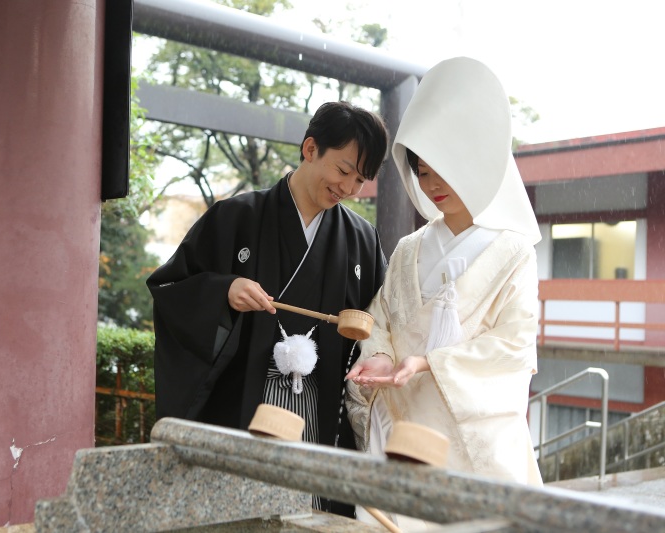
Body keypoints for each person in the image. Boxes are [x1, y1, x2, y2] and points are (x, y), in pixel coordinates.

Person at [147, 101, 389, 515]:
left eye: (361, 180)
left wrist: (378, 353)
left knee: (309, 515)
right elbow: (171, 287)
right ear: (310, 148)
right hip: (243, 407)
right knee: (239, 516)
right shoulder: (236, 217)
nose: (349, 189)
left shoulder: (362, 241)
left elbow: (383, 322)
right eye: (344, 171)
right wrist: (224, 290)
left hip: (318, 415)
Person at [345, 57, 543, 528]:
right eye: (424, 172)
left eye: (445, 172)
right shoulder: (412, 248)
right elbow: (383, 318)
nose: (433, 186)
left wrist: (430, 362)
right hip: (404, 428)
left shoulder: (514, 252)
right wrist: (380, 355)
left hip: (471, 441)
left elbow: (513, 347)